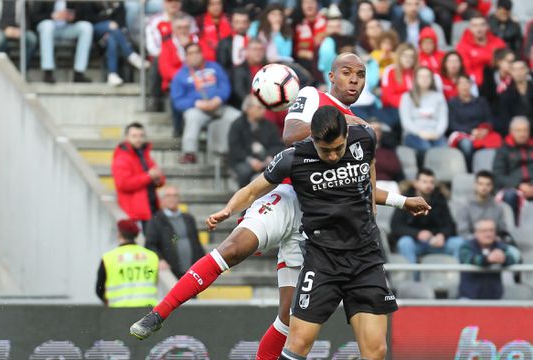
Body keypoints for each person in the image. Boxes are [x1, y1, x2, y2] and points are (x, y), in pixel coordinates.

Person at [129, 54, 431, 360]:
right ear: (331, 76)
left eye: (360, 75)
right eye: (347, 73)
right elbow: (291, 134)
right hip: (289, 195)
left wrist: (401, 201)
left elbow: (360, 182)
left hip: (318, 225)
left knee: (288, 318)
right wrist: (343, 121)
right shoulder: (313, 96)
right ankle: (159, 312)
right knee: (233, 249)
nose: (353, 80)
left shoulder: (360, 134)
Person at [214, 106, 419, 360]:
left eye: (338, 149)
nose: (333, 156)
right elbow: (253, 190)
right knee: (298, 343)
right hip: (322, 262)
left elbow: (366, 180)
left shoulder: (365, 138)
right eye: (325, 150)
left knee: (376, 350)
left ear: (348, 135)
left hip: (365, 260)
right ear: (312, 138)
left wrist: (400, 201)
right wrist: (228, 209)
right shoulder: (293, 158)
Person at [170, 42, 240, 164]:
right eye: (191, 53)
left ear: (202, 54)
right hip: (198, 109)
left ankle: (228, 153)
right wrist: (196, 103)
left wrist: (218, 99)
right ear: (186, 57)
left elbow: (225, 86)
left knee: (236, 117)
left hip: (218, 105)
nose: (195, 56)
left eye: (197, 52)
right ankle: (189, 153)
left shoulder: (215, 67)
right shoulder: (180, 75)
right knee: (192, 117)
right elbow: (177, 100)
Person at [392, 168, 463, 266]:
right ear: (416, 183)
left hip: (437, 242)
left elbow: (450, 225)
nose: (428, 185)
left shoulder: (440, 199)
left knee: (459, 243)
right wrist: (417, 234)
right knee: (405, 243)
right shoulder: (406, 199)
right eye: (424, 182)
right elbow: (396, 227)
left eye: (431, 182)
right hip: (415, 242)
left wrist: (442, 235)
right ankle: (413, 279)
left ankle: (457, 279)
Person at [145, 186, 205, 279]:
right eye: (168, 196)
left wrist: (202, 262)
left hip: (192, 271)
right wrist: (159, 259)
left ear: (179, 199)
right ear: (162, 199)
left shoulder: (188, 218)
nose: (172, 199)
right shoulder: (156, 220)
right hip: (171, 271)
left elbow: (196, 243)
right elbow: (150, 244)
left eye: (174, 195)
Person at [112, 122, 165, 227]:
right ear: (127, 137)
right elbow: (123, 184)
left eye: (141, 135)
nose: (138, 139)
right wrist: (149, 176)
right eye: (134, 136)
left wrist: (158, 179)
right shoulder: (122, 157)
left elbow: (160, 180)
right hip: (136, 213)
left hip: (152, 209)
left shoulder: (145, 154)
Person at [96, 219, 159, 307]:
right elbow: (155, 282)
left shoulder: (108, 258)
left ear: (119, 234)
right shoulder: (152, 257)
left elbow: (99, 290)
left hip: (119, 312)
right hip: (148, 313)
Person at [228, 95, 284, 188]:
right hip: (244, 161)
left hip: (266, 160)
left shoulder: (270, 125)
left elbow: (277, 145)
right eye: (259, 108)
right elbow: (235, 148)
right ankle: (244, 200)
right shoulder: (237, 125)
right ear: (248, 109)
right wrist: (251, 161)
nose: (263, 111)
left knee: (279, 170)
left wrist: (269, 157)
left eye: (263, 108)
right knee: (244, 172)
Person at [447, 74, 501, 168]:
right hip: (463, 133)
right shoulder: (452, 103)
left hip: (482, 132)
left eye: (467, 83)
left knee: (497, 142)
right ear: (457, 87)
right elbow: (452, 124)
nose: (464, 86)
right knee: (466, 145)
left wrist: (485, 130)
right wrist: (471, 131)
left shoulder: (481, 101)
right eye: (461, 83)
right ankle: (470, 170)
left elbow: (489, 119)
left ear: (471, 85)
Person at [33, 1, 94, 83]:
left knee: (86, 27)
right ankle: (48, 71)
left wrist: (72, 17)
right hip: (49, 27)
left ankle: (79, 73)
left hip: (67, 27)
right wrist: (53, 16)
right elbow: (34, 17)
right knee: (47, 26)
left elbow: (85, 15)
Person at [458, 219, 520, 300]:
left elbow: (513, 259)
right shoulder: (466, 246)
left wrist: (504, 258)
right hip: (469, 298)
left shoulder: (499, 245)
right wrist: (487, 259)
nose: (488, 234)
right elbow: (470, 259)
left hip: (494, 299)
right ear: (476, 233)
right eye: (484, 231)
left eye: (491, 230)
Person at [90, 1, 149, 86]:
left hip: (113, 37)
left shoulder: (118, 4)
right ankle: (131, 55)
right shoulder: (92, 3)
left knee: (112, 38)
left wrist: (114, 7)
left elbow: (121, 24)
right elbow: (89, 18)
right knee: (111, 28)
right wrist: (107, 25)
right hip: (94, 34)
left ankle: (112, 74)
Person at [399, 66, 448, 165]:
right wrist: (420, 133)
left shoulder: (439, 97)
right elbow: (406, 122)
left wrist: (437, 133)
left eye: (427, 76)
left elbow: (443, 119)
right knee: (426, 148)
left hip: (435, 134)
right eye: (421, 76)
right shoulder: (407, 97)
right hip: (413, 134)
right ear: (416, 79)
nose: (424, 79)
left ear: (432, 79)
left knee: (443, 150)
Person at [145, 0, 186, 111]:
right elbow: (152, 48)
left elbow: (194, 42)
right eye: (170, 1)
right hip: (163, 58)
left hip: (184, 58)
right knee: (158, 61)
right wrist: (168, 55)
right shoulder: (155, 21)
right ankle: (154, 99)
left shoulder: (187, 19)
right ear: (164, 3)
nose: (174, 4)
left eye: (176, 1)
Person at [493, 116, 533, 225]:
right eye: (519, 130)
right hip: (513, 188)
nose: (522, 134)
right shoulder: (503, 150)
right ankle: (513, 231)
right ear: (511, 132)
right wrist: (518, 186)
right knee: (510, 195)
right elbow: (497, 176)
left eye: (525, 130)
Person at [455, 171, 509, 241]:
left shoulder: (497, 207)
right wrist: (480, 240)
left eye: (488, 185)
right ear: (475, 185)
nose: (484, 187)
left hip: (492, 242)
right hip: (471, 242)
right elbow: (463, 232)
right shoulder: (465, 206)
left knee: (513, 251)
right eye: (481, 184)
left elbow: (502, 230)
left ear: (492, 187)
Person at [456, 13, 506, 87]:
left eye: (482, 25)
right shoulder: (463, 46)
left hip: (499, 81)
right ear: (470, 28)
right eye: (475, 26)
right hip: (476, 84)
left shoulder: (498, 42)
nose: (479, 29)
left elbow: (505, 62)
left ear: (487, 27)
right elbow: (466, 69)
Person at [380, 43, 417, 130]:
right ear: (399, 56)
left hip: (414, 108)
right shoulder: (390, 71)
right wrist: (407, 104)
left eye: (411, 57)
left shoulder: (417, 72)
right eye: (405, 56)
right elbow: (388, 96)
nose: (408, 59)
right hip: (393, 109)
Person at [0, 0, 37, 68]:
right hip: (1, 29)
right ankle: (5, 67)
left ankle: (22, 70)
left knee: (32, 39)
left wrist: (21, 29)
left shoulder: (23, 2)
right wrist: (5, 28)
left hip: (19, 29)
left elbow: (28, 19)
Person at [498, 60, 533, 136]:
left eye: (521, 69)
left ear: (527, 70)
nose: (518, 72)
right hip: (517, 134)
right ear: (511, 72)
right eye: (515, 69)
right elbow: (505, 119)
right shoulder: (505, 94)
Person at [292, 0, 327, 76]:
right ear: (301, 5)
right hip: (305, 65)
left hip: (324, 63)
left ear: (317, 4)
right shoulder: (297, 25)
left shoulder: (326, 21)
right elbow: (295, 50)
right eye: (306, 2)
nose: (309, 5)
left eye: (312, 2)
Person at [230, 39, 267, 108]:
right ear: (247, 51)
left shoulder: (267, 68)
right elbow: (239, 92)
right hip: (248, 107)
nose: (258, 52)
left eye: (261, 49)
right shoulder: (239, 69)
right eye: (255, 49)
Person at [478, 48, 515, 118]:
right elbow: (486, 99)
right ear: (499, 62)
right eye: (509, 61)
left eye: (513, 61)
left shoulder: (515, 78)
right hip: (493, 116)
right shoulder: (489, 76)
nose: (512, 65)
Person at [216, 8, 251, 76]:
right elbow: (222, 67)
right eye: (237, 22)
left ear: (249, 23)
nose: (241, 26)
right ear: (232, 23)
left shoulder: (254, 41)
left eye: (244, 22)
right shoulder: (224, 43)